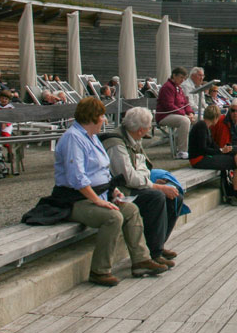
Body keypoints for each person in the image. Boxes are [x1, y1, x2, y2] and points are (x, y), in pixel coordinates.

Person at [50, 97, 167, 286]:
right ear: (92, 117)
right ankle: (100, 270)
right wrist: (98, 200)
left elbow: (102, 172)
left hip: (97, 194)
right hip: (73, 200)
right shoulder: (74, 138)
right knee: (113, 217)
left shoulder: (92, 137)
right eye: (102, 116)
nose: (104, 120)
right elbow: (76, 178)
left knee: (130, 210)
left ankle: (141, 261)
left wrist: (112, 193)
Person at [101, 107, 182, 268]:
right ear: (140, 130)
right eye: (147, 127)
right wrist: (152, 185)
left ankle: (158, 244)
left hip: (135, 185)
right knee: (157, 197)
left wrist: (147, 181)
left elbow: (143, 166)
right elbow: (128, 177)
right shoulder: (116, 143)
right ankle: (155, 252)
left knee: (175, 196)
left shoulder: (132, 137)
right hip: (121, 191)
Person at [189, 104, 237, 206]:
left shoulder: (205, 126)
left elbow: (212, 145)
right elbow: (204, 149)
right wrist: (221, 151)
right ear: (216, 118)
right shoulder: (201, 127)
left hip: (203, 157)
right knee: (236, 162)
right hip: (198, 159)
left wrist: (223, 149)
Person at [155, 66, 195, 160]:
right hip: (165, 115)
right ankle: (182, 151)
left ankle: (195, 147)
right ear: (174, 75)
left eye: (184, 78)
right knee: (184, 121)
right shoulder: (167, 87)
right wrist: (184, 114)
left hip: (177, 114)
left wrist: (190, 113)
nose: (182, 80)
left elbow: (185, 103)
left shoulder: (178, 88)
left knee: (199, 118)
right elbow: (169, 105)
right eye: (181, 77)